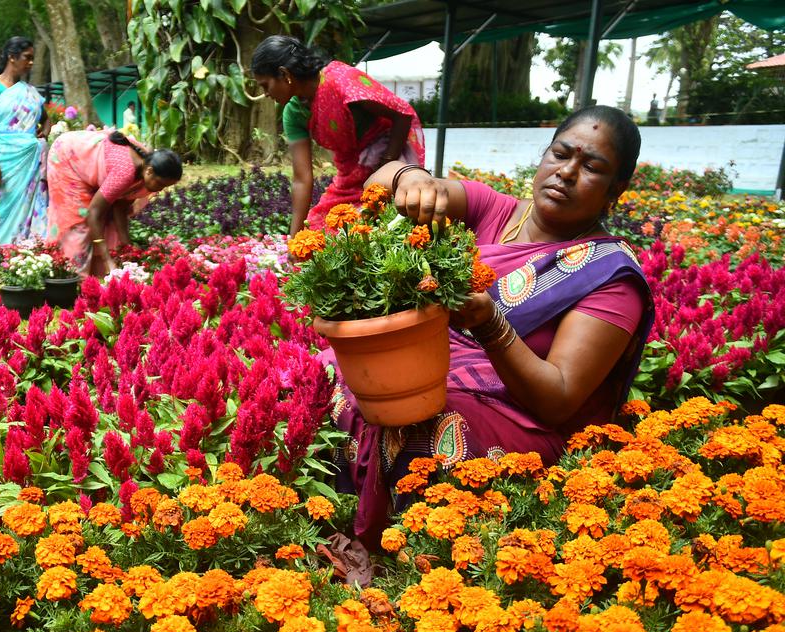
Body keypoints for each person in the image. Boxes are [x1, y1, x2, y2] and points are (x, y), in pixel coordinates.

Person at [327, 105, 654, 577]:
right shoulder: (492, 208)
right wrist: (410, 178)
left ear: (615, 190)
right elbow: (380, 180)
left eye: (592, 167)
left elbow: (558, 399)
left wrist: (490, 324)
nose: (567, 172)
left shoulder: (610, 277)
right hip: (446, 368)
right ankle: (331, 505)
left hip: (524, 417)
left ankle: (401, 550)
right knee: (333, 368)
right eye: (561, 154)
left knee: (426, 423)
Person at [251, 35, 426, 235]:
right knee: (320, 233)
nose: (265, 93)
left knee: (381, 233)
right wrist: (295, 237)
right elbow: (302, 178)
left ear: (284, 74)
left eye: (265, 85)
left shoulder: (341, 81)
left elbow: (401, 116)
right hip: (348, 179)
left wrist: (385, 166)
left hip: (389, 169)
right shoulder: (293, 114)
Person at [46, 130, 182, 277]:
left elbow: (120, 207)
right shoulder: (124, 172)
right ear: (149, 171)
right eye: (160, 184)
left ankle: (100, 278)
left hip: (91, 164)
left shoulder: (145, 167)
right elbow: (94, 212)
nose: (160, 189)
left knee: (109, 223)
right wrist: (107, 259)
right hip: (67, 157)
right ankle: (71, 280)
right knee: (80, 223)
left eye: (165, 187)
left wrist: (128, 250)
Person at [0, 36, 50, 245]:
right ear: (12, 57)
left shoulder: (30, 93)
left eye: (33, 58)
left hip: (30, 164)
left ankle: (28, 256)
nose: (31, 62)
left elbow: (47, 120)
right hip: (4, 162)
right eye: (27, 57)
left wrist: (41, 137)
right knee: (0, 212)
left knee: (31, 210)